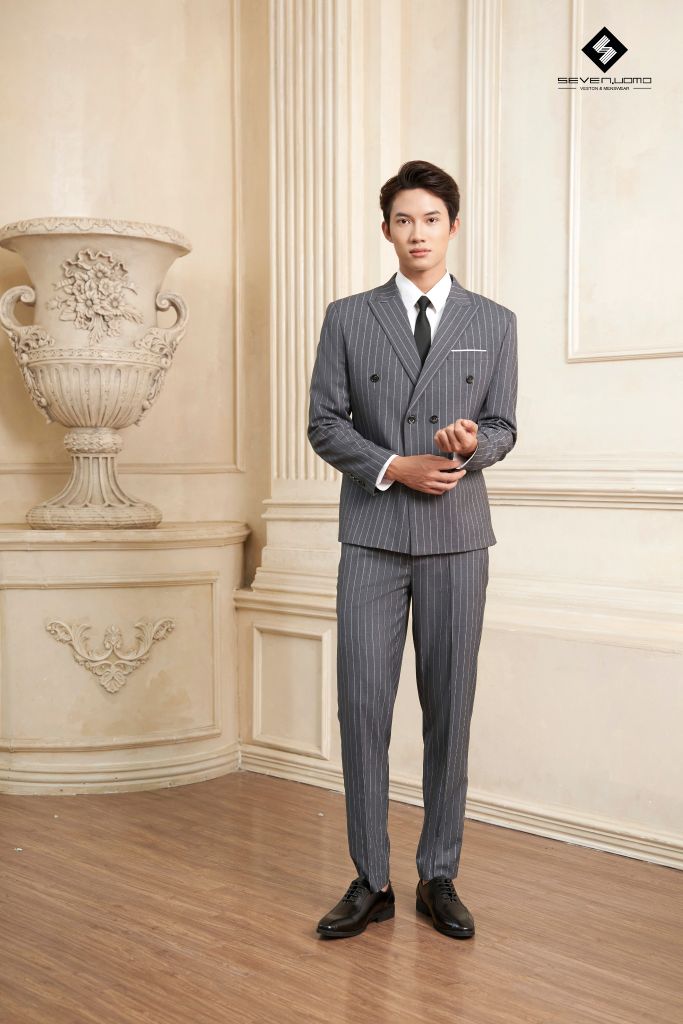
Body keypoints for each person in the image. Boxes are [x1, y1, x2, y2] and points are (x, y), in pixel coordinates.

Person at [307, 159, 518, 939]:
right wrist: (395, 465)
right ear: (386, 229)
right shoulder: (347, 317)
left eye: (430, 219)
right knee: (362, 706)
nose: (417, 233)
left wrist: (471, 445)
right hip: (372, 534)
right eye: (403, 220)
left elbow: (502, 425)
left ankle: (439, 875)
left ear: (451, 227)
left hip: (456, 538)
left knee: (448, 709)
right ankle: (370, 879)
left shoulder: (493, 322)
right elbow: (324, 423)